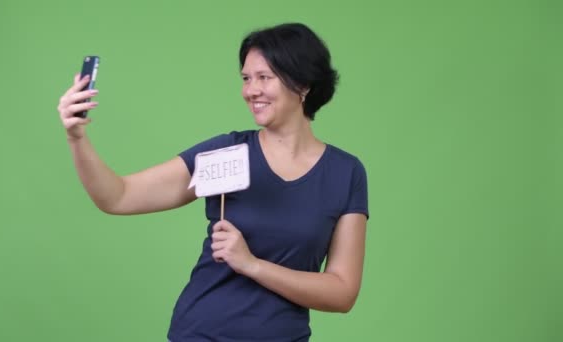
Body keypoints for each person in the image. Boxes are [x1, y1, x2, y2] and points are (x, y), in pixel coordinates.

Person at [57, 22, 368, 342]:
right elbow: (118, 197)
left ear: (303, 85)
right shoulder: (225, 153)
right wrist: (76, 137)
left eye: (265, 77)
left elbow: (342, 292)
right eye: (246, 78)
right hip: (202, 334)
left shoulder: (345, 173)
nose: (251, 90)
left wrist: (252, 264)